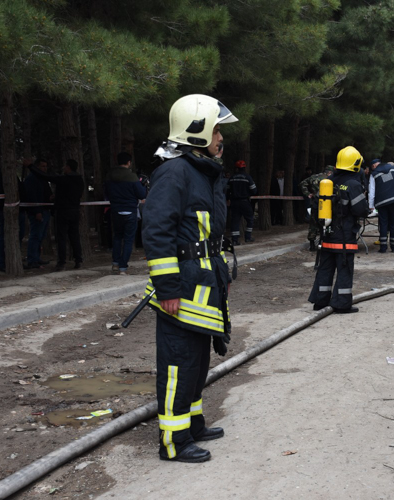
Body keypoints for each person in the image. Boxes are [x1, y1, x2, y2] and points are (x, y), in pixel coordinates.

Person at [141, 94, 236, 463]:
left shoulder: (201, 170)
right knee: (179, 363)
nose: (220, 138)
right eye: (215, 130)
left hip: (203, 282)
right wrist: (167, 287)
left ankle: (193, 422)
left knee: (197, 359)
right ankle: (174, 440)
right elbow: (157, 231)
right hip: (180, 287)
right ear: (196, 132)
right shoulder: (175, 172)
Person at [308, 146, 369, 313]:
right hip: (344, 236)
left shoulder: (329, 181)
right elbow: (360, 210)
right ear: (355, 164)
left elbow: (315, 206)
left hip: (327, 234)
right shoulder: (353, 184)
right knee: (344, 270)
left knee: (325, 268)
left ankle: (320, 302)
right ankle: (341, 304)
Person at [31, 159, 85, 271]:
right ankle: (78, 260)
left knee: (61, 238)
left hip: (63, 211)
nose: (63, 168)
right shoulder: (79, 180)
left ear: (69, 167)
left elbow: (45, 176)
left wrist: (30, 166)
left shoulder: (63, 179)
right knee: (74, 237)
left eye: (65, 166)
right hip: (75, 211)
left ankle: (61, 263)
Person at [105, 152, 147, 275]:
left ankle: (115, 264)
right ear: (129, 162)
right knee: (128, 240)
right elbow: (141, 194)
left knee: (117, 237)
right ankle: (123, 267)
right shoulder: (132, 177)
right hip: (130, 211)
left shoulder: (109, 176)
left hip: (115, 211)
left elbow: (106, 192)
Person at [0, 167, 25, 273]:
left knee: (18, 235)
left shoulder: (11, 173)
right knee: (4, 235)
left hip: (17, 208)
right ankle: (2, 263)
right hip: (4, 208)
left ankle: (15, 260)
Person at [369, 160, 394, 253]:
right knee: (393, 223)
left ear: (374, 165)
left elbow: (372, 191)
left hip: (382, 202)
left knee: (383, 223)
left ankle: (383, 247)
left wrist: (371, 205)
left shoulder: (374, 174)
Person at [23, 158, 53, 269]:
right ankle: (32, 260)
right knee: (35, 236)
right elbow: (31, 196)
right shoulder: (31, 179)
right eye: (42, 166)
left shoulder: (43, 179)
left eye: (46, 166)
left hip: (45, 210)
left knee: (41, 236)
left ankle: (37, 258)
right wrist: (37, 211)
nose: (44, 168)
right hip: (38, 211)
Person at [300, 165, 334, 251]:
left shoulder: (314, 177)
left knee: (313, 223)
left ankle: (312, 244)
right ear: (330, 172)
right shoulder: (330, 179)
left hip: (314, 202)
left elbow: (302, 183)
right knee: (325, 222)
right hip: (326, 203)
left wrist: (308, 193)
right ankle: (323, 242)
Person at [227, 160, 258, 245]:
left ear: (236, 168)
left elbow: (227, 190)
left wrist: (228, 199)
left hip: (234, 203)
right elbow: (254, 190)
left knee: (235, 221)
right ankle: (248, 237)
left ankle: (234, 240)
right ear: (244, 168)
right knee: (250, 219)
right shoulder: (247, 177)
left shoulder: (232, 178)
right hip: (244, 202)